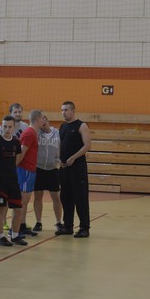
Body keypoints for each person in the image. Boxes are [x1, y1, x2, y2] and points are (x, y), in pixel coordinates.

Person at [0, 116, 26, 246]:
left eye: (10, 127)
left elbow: (18, 157)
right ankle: (1, 237)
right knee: (2, 208)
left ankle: (15, 236)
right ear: (1, 126)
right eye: (4, 126)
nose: (7, 129)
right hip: (1, 179)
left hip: (13, 179)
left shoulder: (16, 142)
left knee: (18, 208)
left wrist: (11, 169)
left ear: (14, 127)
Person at [57, 101, 91, 238]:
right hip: (64, 169)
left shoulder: (81, 125)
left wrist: (74, 157)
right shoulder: (62, 127)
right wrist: (59, 159)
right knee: (65, 198)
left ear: (73, 110)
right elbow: (60, 145)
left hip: (77, 169)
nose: (63, 112)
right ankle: (68, 226)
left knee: (80, 198)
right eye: (62, 110)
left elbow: (87, 145)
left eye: (66, 110)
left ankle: (84, 228)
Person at [33, 114, 63, 232]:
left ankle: (58, 222)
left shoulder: (57, 133)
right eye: (40, 120)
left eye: (44, 119)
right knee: (38, 196)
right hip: (39, 168)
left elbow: (61, 148)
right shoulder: (36, 134)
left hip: (53, 169)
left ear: (47, 120)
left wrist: (59, 160)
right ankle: (38, 222)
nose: (43, 122)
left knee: (56, 197)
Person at [15, 110, 42, 237]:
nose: (43, 121)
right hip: (25, 170)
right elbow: (21, 152)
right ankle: (17, 228)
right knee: (22, 201)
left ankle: (22, 225)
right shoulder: (29, 133)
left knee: (25, 200)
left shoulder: (33, 133)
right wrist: (14, 168)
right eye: (42, 118)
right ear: (37, 119)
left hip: (30, 170)